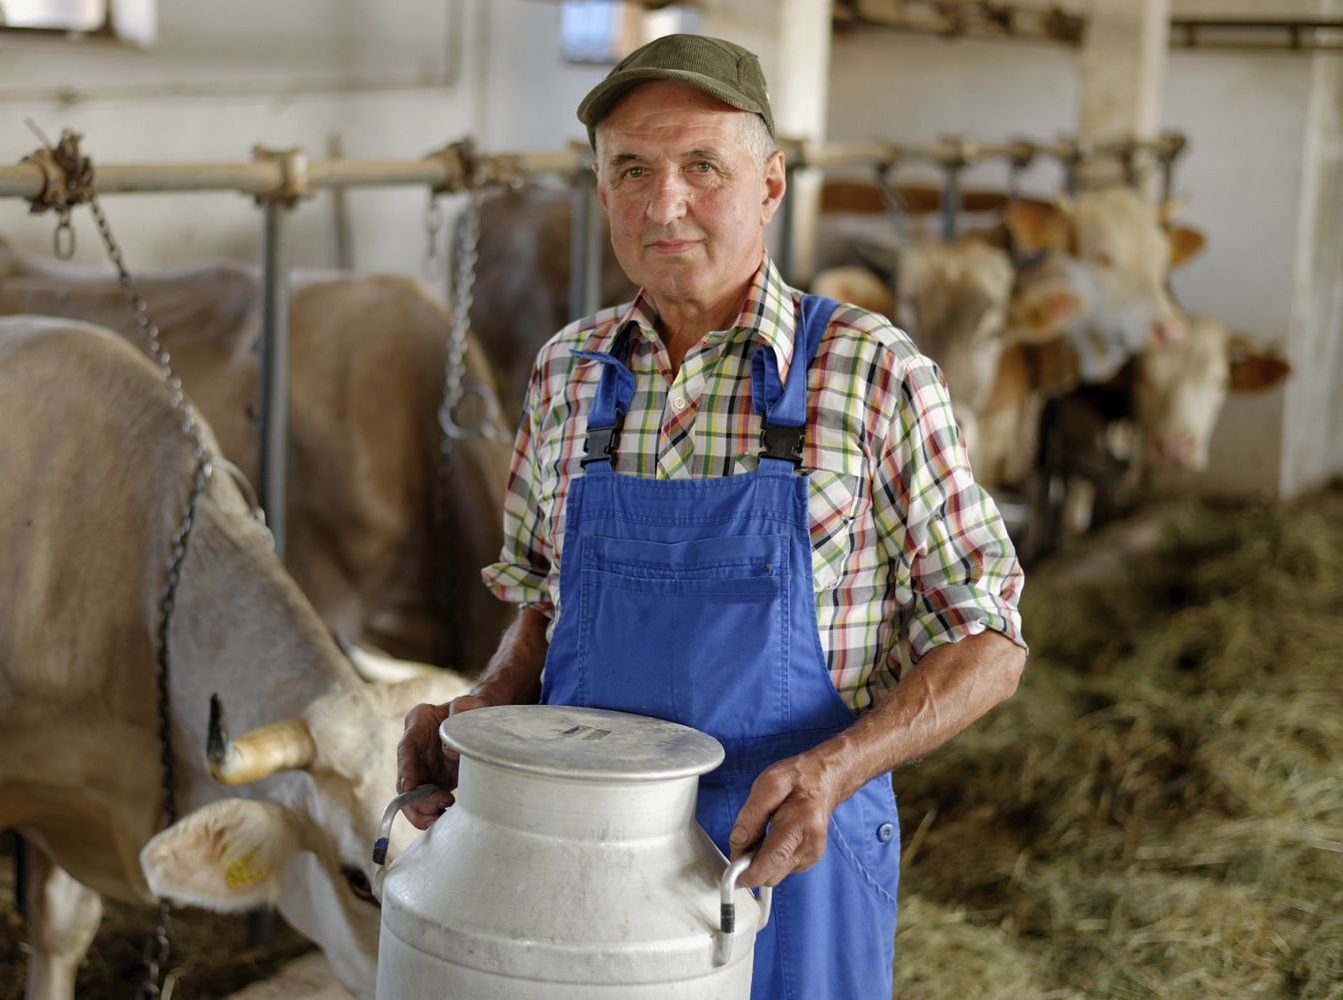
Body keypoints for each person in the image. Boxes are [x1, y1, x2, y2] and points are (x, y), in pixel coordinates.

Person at [397, 33, 1026, 1000]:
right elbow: (542, 609)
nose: (666, 203)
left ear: (771, 183)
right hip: (580, 873)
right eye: (632, 171)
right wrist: (484, 717)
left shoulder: (871, 371)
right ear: (601, 192)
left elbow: (987, 637)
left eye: (703, 167)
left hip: (786, 860)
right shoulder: (570, 372)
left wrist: (838, 768)